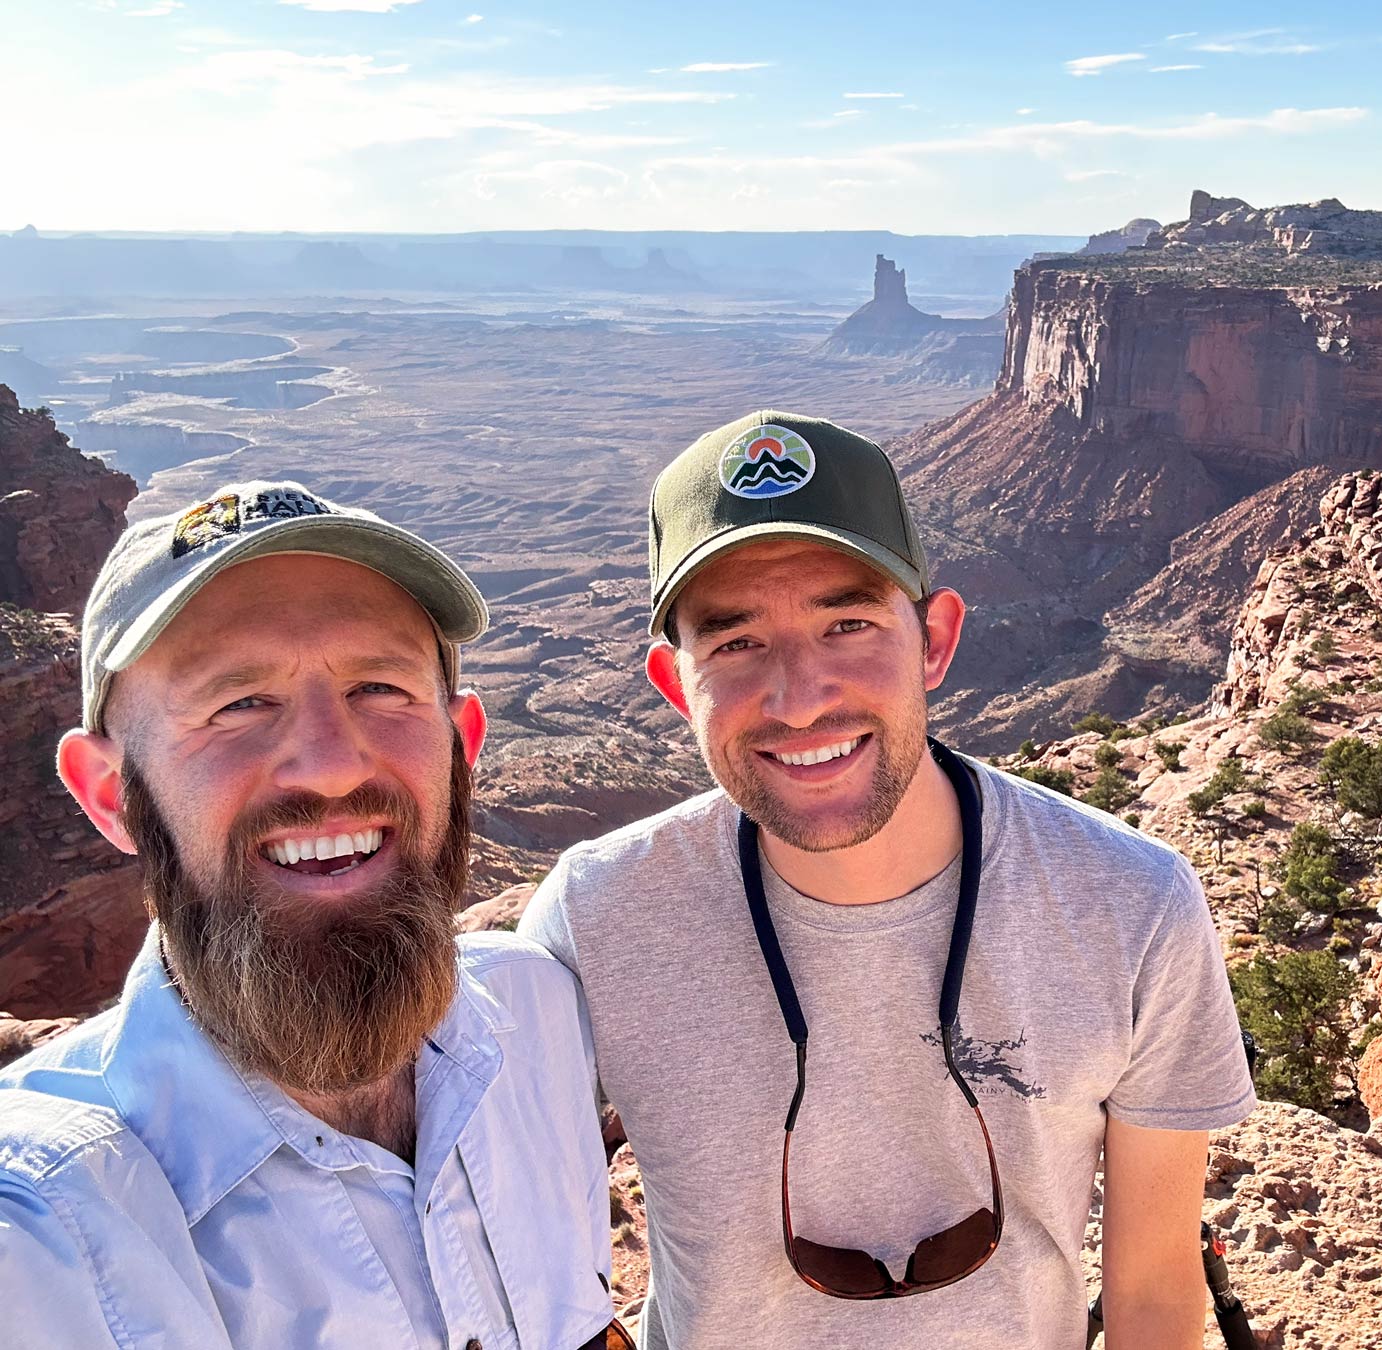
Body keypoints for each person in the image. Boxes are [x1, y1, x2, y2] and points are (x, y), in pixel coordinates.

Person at [522, 412, 1257, 1348]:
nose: (800, 697)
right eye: (736, 643)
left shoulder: (1130, 903)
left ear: (936, 642)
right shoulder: (595, 915)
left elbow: (1155, 1293)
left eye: (849, 623)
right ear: (677, 682)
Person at [0, 481, 629, 1349]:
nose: (331, 766)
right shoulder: (44, 1232)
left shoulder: (539, 1016)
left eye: (379, 686)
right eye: (239, 704)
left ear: (462, 749)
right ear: (109, 794)